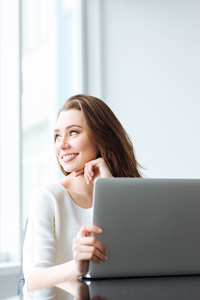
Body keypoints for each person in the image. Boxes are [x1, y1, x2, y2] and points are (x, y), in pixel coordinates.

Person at [23, 94, 142, 298]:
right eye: (58, 136)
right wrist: (76, 267)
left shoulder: (131, 197)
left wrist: (109, 186)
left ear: (101, 137)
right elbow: (33, 281)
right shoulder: (48, 197)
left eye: (74, 133)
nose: (62, 144)